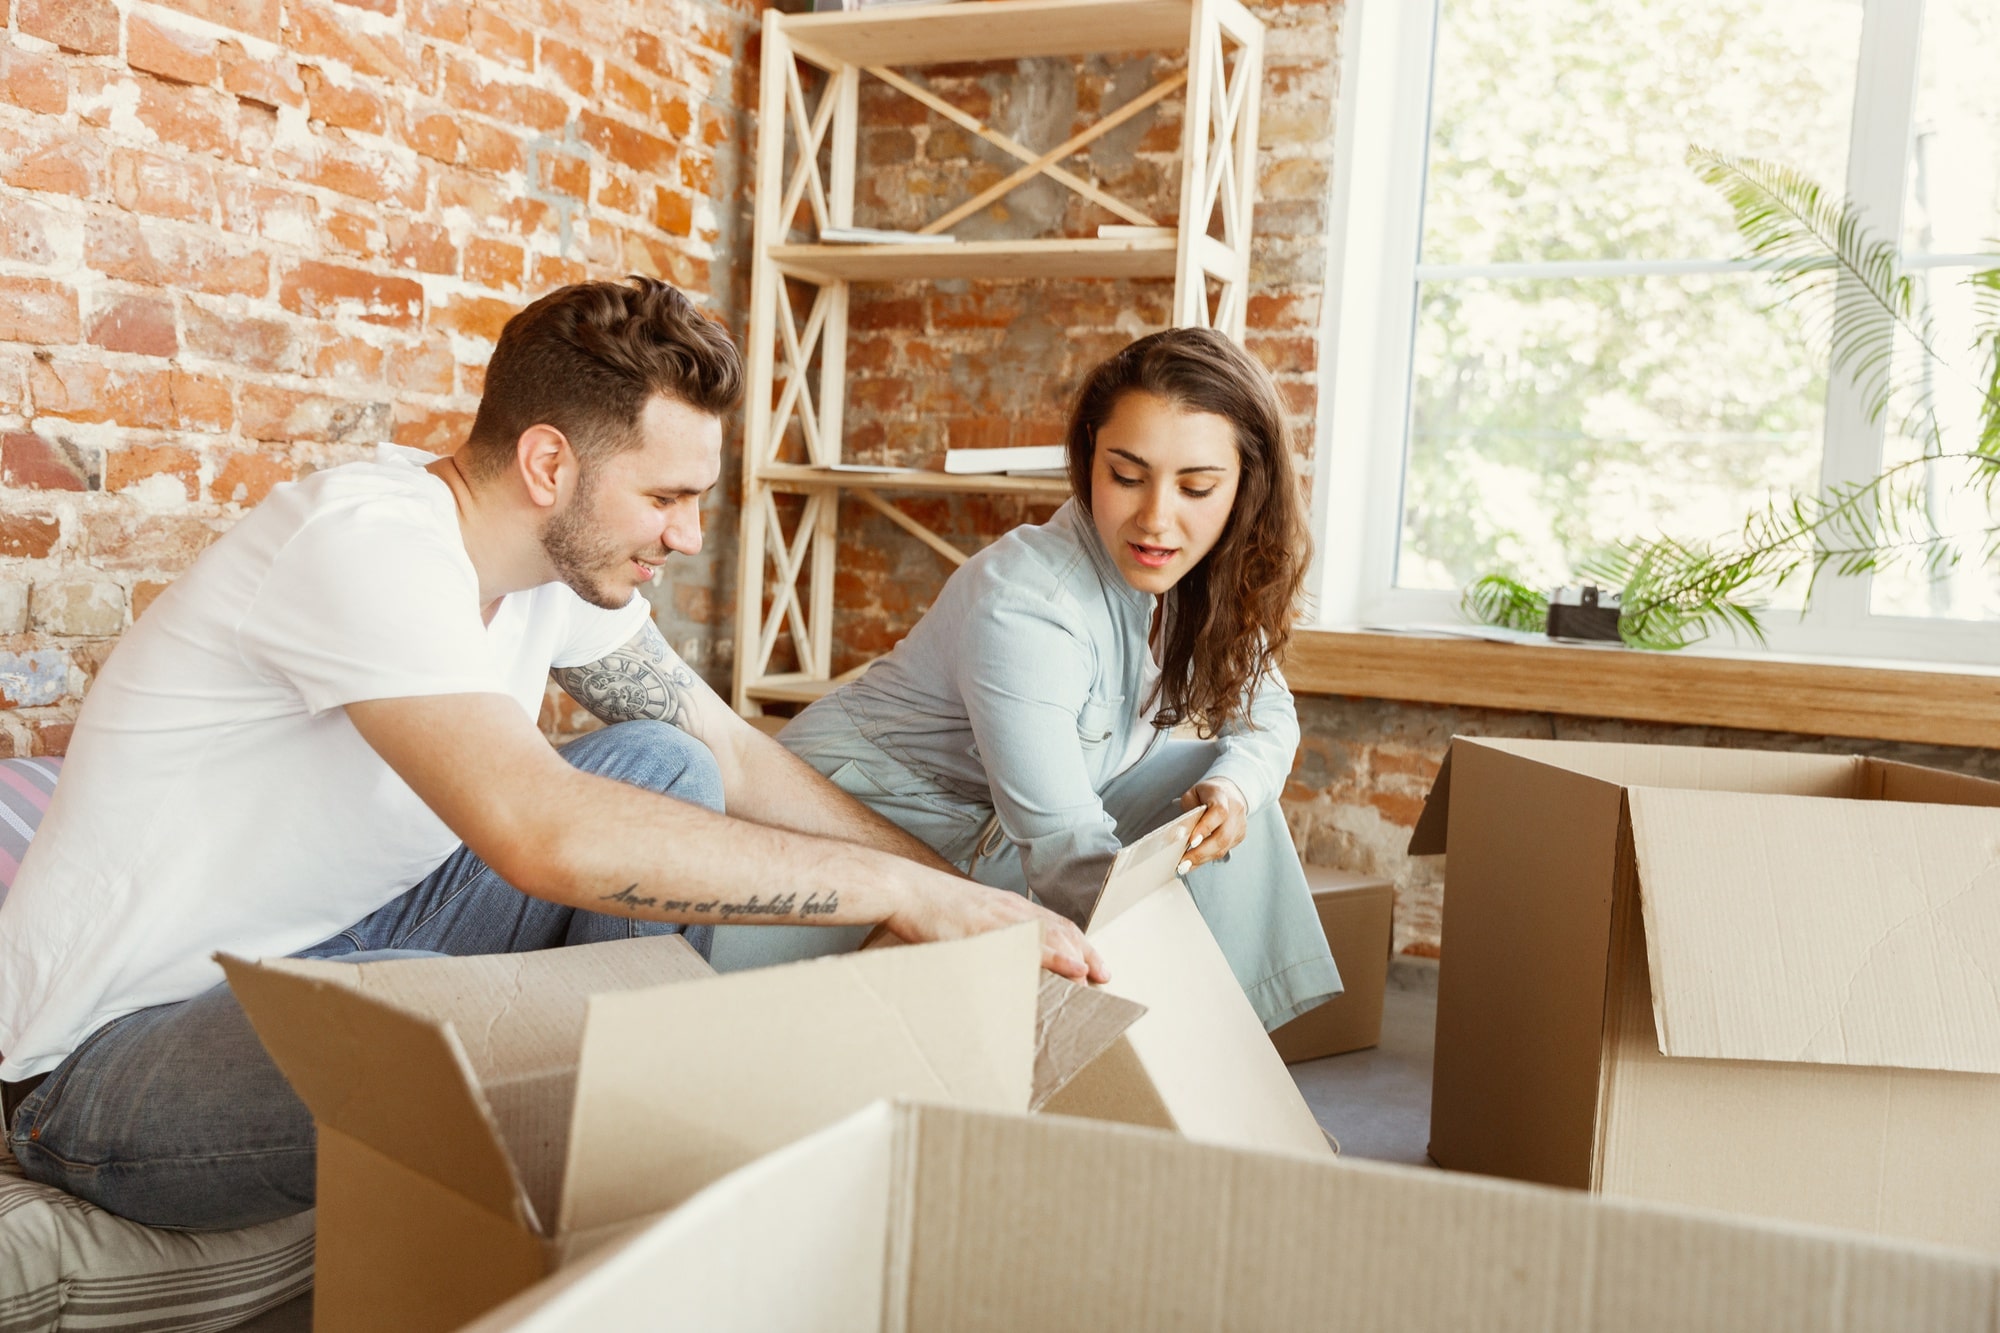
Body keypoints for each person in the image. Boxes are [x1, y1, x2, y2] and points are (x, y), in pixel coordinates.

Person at [0, 277, 1101, 1231]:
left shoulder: (552, 574)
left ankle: (635, 1121)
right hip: (106, 1060)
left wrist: (965, 902)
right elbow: (541, 834)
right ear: (546, 462)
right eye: (665, 497)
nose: (684, 535)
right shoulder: (366, 546)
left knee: (668, 763)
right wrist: (888, 890)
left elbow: (720, 742)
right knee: (432, 1020)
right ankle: (645, 1135)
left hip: (337, 943)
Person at [721, 328, 1340, 1030]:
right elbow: (1067, 855)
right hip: (859, 825)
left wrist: (1234, 790)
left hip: (989, 832)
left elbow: (1268, 718)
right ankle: (1178, 1064)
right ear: (1088, 462)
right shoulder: (1029, 603)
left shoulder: (1204, 578)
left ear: (1244, 489)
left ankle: (1233, 1057)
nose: (1156, 518)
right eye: (1126, 476)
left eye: (1196, 486)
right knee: (1117, 891)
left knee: (1219, 800)